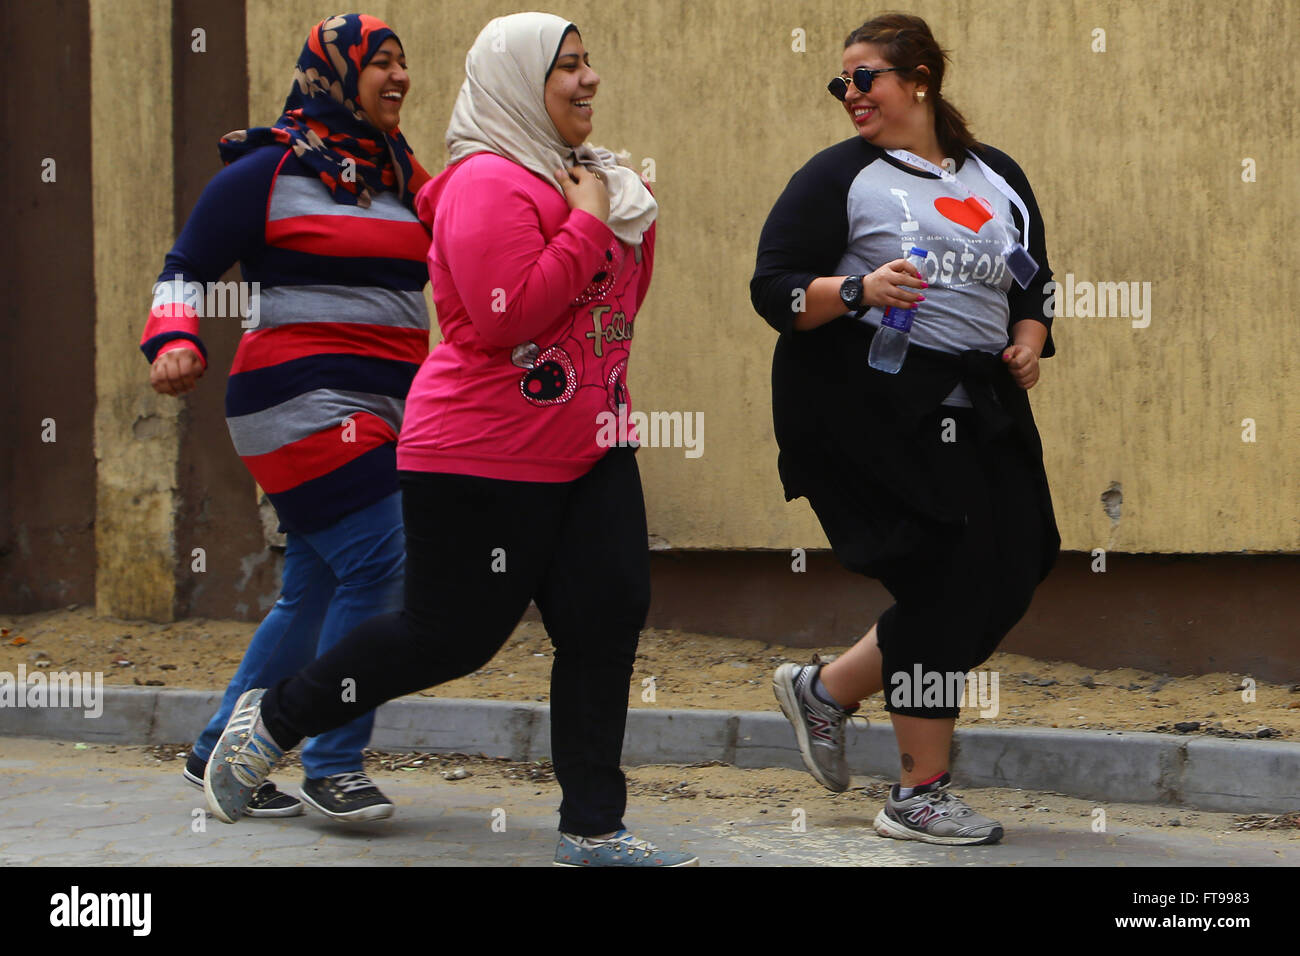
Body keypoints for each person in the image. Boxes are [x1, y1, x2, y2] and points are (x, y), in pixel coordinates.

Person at [202, 12, 697, 867]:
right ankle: (277, 714)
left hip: (592, 440)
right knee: (451, 637)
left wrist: (610, 212)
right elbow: (513, 316)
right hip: (483, 453)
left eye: (588, 64)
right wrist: (586, 224)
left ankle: (593, 828)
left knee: (606, 620)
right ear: (518, 83)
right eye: (567, 68)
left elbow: (608, 317)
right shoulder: (484, 183)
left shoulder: (582, 176)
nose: (590, 82)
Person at [751, 12, 1060, 846]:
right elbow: (772, 287)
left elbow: (1034, 285)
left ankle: (828, 689)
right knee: (941, 579)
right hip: (869, 405)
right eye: (841, 82)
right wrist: (856, 291)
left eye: (865, 78)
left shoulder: (995, 176)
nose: (850, 94)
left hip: (981, 401)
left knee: (1019, 559)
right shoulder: (840, 176)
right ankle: (918, 792)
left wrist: (1029, 344)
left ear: (918, 78)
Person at [142, 13, 432, 822]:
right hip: (299, 400)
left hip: (386, 405)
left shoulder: (403, 172)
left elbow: (472, 244)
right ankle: (333, 763)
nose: (399, 77)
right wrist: (172, 338)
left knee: (315, 581)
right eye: (380, 64)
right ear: (335, 76)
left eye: (404, 63)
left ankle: (214, 752)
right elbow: (185, 267)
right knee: (382, 561)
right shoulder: (267, 168)